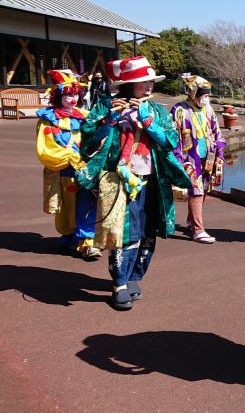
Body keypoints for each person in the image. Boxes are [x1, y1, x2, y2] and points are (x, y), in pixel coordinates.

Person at [77, 56, 191, 310]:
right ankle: (119, 283)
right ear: (128, 84)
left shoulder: (157, 110)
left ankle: (136, 275)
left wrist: (148, 123)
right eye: (143, 82)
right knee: (124, 232)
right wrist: (108, 120)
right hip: (119, 181)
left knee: (149, 229)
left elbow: (171, 141)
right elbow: (87, 142)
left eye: (150, 81)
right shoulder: (106, 106)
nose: (148, 86)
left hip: (152, 179)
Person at [36, 69, 101, 260]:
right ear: (58, 96)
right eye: (67, 94)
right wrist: (71, 158)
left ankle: (87, 242)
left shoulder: (85, 115)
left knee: (87, 204)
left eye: (75, 94)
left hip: (86, 171)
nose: (72, 99)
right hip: (64, 170)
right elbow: (45, 148)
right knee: (68, 207)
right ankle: (71, 236)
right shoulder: (48, 119)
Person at [171, 75, 226, 243]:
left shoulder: (208, 109)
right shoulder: (179, 109)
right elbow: (174, 135)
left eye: (208, 95)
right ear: (193, 93)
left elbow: (216, 130)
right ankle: (198, 229)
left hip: (208, 155)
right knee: (196, 190)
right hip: (189, 157)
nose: (206, 98)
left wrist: (220, 150)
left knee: (203, 189)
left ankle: (190, 220)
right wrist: (177, 157)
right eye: (203, 95)